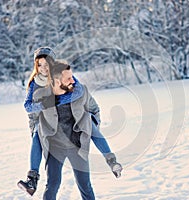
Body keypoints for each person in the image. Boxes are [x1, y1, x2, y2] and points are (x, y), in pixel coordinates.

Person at [17, 47, 122, 197]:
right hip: (52, 138)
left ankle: (111, 160)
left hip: (75, 139)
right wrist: (43, 108)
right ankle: (32, 177)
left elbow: (80, 92)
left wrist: (60, 100)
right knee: (52, 182)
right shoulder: (35, 84)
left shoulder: (67, 78)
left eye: (47, 64)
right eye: (39, 65)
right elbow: (28, 107)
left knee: (87, 122)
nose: (43, 68)